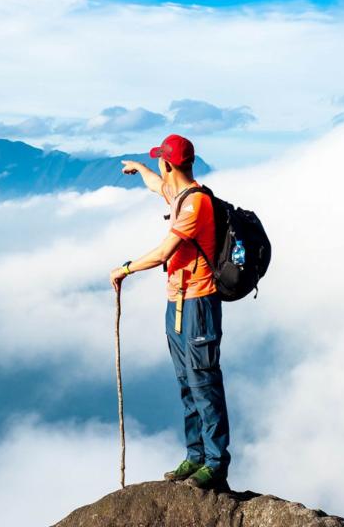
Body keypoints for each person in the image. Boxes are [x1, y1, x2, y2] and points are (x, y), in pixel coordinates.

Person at [109, 134, 230, 490]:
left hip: (198, 304)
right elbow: (156, 185)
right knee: (186, 383)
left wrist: (125, 268)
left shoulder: (195, 205)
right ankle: (195, 456)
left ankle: (215, 463)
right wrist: (139, 168)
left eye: (158, 160)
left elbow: (164, 252)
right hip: (177, 303)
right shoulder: (179, 195)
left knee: (204, 383)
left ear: (169, 163)